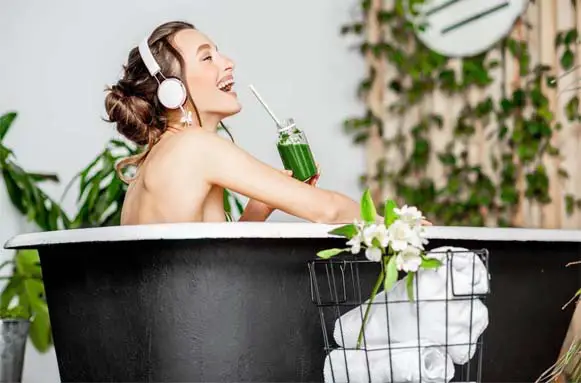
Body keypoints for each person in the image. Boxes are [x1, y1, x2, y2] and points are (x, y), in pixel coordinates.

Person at [103, 21, 367, 225]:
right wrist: (398, 227)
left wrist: (258, 208)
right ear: (172, 90)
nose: (229, 63)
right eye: (207, 58)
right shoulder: (194, 146)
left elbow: (205, 264)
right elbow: (329, 210)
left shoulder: (164, 154)